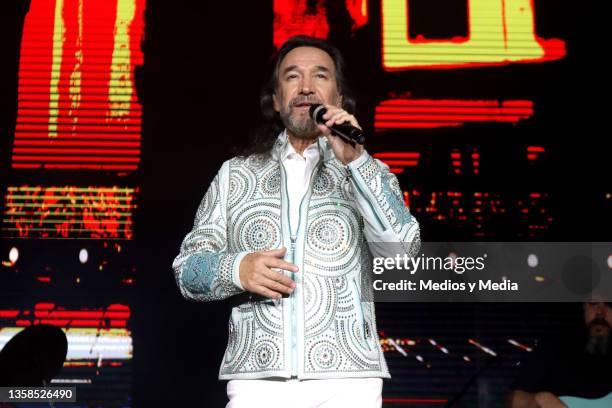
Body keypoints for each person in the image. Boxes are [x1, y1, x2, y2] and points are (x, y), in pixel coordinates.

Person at [172, 35, 420, 407]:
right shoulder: (235, 175)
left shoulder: (371, 171)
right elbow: (186, 269)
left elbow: (403, 258)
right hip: (257, 380)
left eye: (320, 76)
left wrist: (357, 163)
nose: (306, 87)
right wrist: (237, 268)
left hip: (349, 381)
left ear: (339, 99)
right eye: (292, 77)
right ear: (275, 99)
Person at [507, 301, 612, 407]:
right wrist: (540, 399)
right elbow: (513, 399)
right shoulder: (554, 346)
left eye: (610, 304)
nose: (600, 312)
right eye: (593, 303)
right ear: (584, 305)